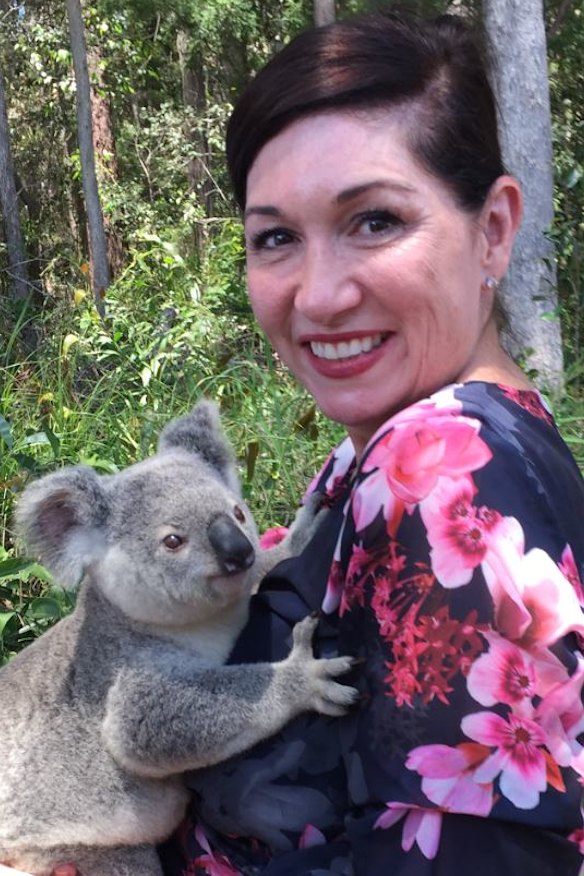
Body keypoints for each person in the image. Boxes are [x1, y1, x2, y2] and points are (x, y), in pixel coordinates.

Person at [5, 10, 584, 876]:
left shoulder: (441, 462)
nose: (317, 296)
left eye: (375, 220)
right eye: (275, 237)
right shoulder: (388, 447)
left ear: (494, 228)